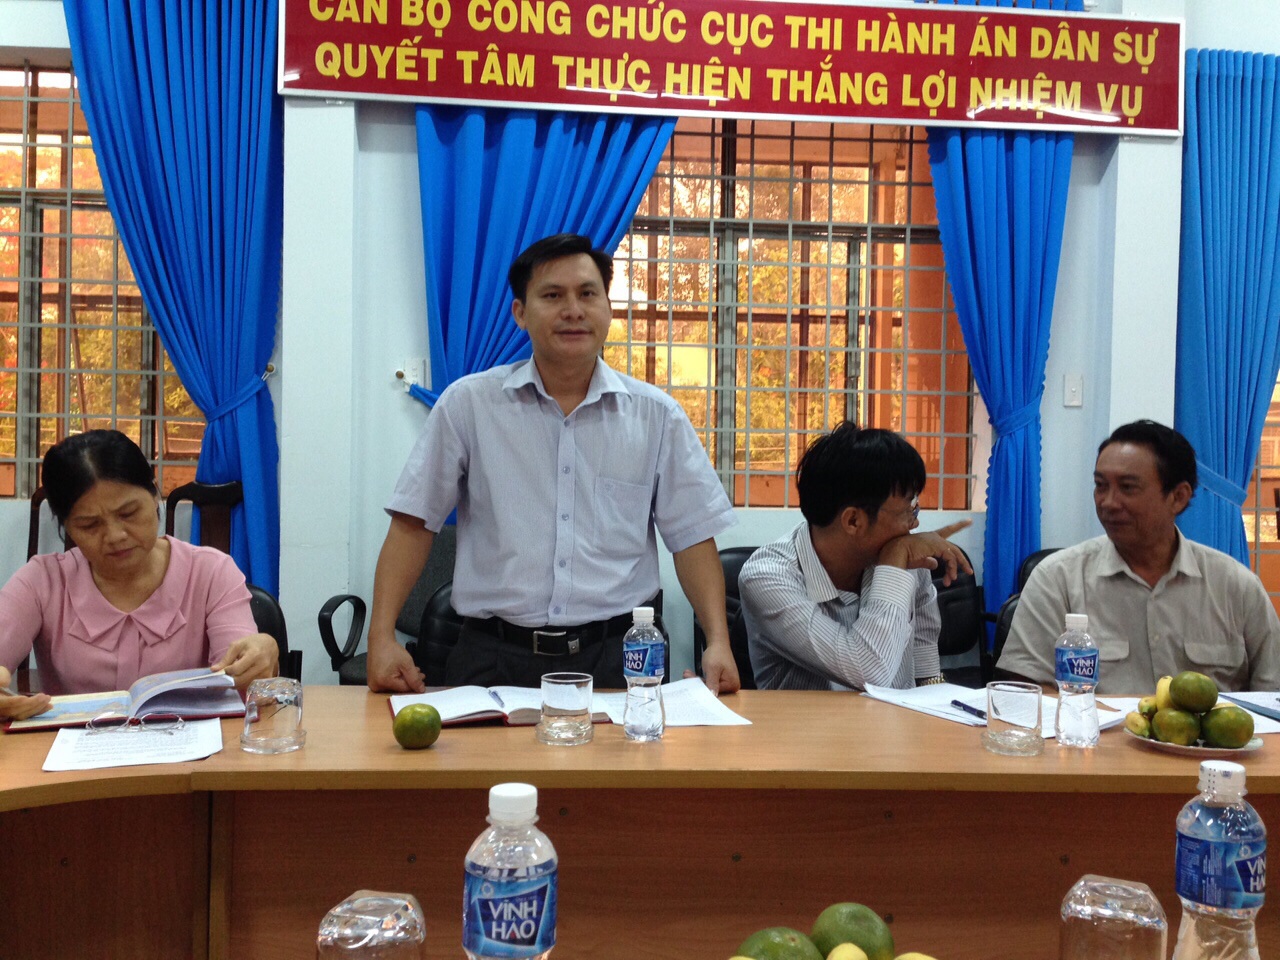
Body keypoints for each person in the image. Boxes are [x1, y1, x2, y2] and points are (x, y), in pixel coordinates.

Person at [367, 233, 739, 693]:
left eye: (588, 294)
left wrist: (717, 641)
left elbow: (692, 538)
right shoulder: (469, 405)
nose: (573, 310)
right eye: (552, 296)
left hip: (618, 658)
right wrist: (380, 637)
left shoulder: (656, 416)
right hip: (492, 656)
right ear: (520, 313)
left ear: (608, 308)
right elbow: (412, 524)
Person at [0, 430, 279, 720]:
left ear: (154, 493)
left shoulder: (211, 573)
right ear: (66, 526)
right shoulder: (41, 582)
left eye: (129, 513)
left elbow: (241, 685)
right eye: (89, 525)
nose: (115, 536)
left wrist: (260, 659)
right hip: (71, 748)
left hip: (187, 746)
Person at [996, 420, 1280, 693]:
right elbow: (1028, 692)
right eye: (1101, 485)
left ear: (1178, 497)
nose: (1108, 502)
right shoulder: (1057, 579)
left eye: (1128, 487)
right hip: (1092, 729)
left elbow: (1272, 693)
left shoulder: (1236, 586)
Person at [739, 423, 972, 691]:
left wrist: (933, 695)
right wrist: (894, 561)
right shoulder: (767, 577)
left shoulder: (903, 550)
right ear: (853, 521)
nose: (914, 524)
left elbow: (923, 638)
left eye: (914, 507)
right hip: (806, 719)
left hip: (897, 717)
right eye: (908, 512)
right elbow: (868, 672)